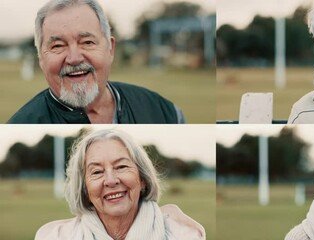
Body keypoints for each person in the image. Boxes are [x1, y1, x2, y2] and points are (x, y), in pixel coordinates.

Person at [8, 0, 185, 124]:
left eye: (87, 42)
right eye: (58, 46)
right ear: (41, 58)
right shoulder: (22, 123)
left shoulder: (164, 112)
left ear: (110, 49)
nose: (74, 58)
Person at [35, 129, 205, 240]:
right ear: (84, 188)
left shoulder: (184, 234)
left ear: (143, 179)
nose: (110, 180)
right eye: (97, 172)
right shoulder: (53, 237)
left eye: (121, 166)